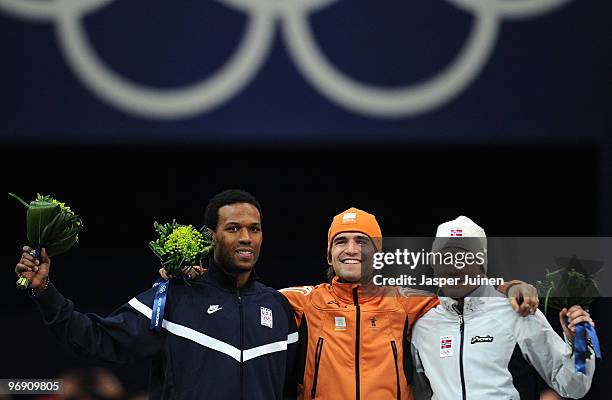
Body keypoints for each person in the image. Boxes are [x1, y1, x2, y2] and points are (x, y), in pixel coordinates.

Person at [15, 189, 298, 400]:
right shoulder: (173, 298)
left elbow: (295, 389)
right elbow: (97, 339)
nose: (246, 237)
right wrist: (44, 290)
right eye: (234, 228)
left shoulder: (278, 308)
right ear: (211, 236)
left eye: (254, 229)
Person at [278, 208, 538, 400]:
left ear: (378, 251)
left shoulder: (406, 302)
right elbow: (251, 296)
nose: (351, 249)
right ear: (328, 254)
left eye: (361, 240)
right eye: (341, 241)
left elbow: (463, 290)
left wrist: (510, 286)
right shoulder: (305, 301)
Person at [410, 216, 595, 399]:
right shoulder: (423, 326)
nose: (453, 267)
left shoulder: (518, 313)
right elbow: (420, 393)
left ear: (481, 266)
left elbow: (573, 387)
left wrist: (577, 344)